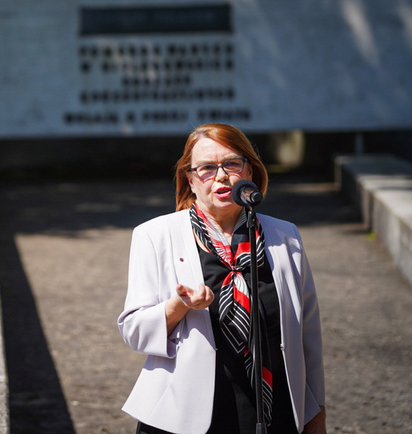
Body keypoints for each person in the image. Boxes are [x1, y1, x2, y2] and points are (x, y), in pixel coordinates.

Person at [118, 123, 326, 434]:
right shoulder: (155, 235)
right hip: (184, 417)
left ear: (250, 171)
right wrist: (179, 305)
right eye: (206, 167)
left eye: (232, 163)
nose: (221, 175)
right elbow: (134, 331)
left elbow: (307, 336)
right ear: (190, 178)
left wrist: (316, 415)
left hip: (274, 413)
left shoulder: (285, 236)